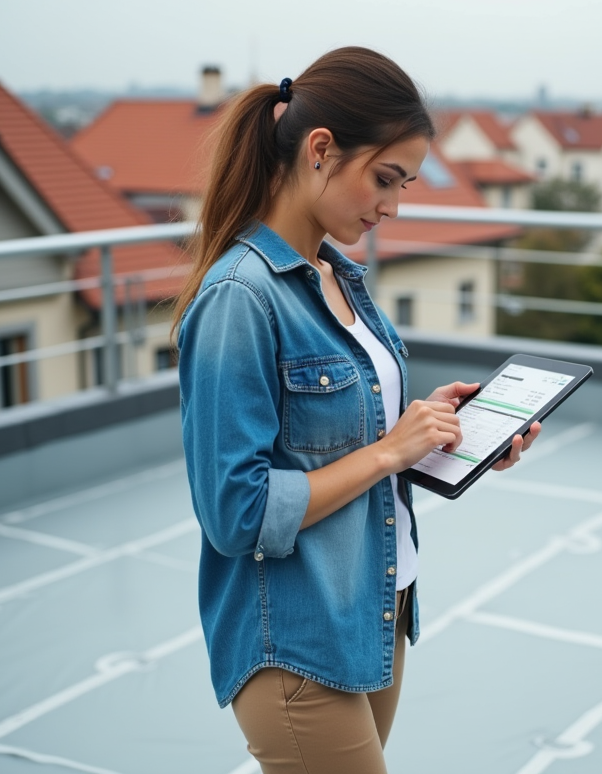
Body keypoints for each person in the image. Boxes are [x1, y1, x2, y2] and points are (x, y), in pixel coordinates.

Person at [173, 47, 540, 774]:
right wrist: (389, 451)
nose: (394, 205)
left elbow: (351, 441)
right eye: (385, 178)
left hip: (380, 606)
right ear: (320, 150)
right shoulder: (239, 299)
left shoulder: (341, 277)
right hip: (297, 636)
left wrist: (441, 430)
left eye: (404, 183)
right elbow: (234, 512)